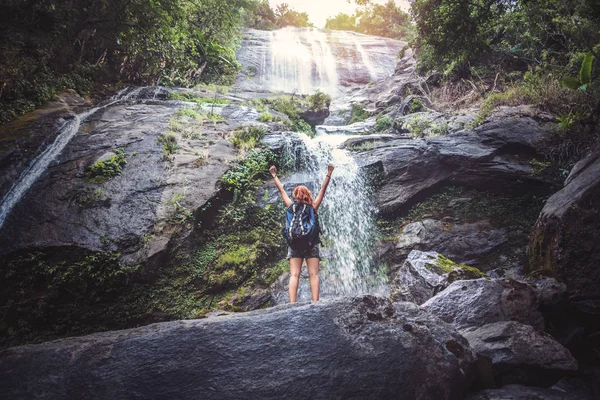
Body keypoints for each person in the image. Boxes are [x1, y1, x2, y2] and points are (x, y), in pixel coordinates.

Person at [269, 163, 334, 303]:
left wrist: (274, 175)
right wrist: (329, 173)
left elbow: (281, 191)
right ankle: (315, 302)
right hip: (312, 243)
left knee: (294, 275)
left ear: (295, 195)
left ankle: (292, 304)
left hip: (294, 244)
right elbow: (323, 189)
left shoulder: (291, 207)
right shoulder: (313, 207)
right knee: (314, 274)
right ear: (308, 195)